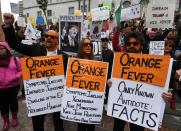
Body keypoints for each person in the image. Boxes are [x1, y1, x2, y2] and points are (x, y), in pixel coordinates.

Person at [2, 13, 68, 131]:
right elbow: (15, 44)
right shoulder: (36, 49)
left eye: (52, 37)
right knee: (37, 124)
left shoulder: (64, 57)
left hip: (57, 96)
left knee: (59, 124)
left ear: (57, 41)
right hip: (38, 96)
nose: (48, 38)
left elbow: (70, 76)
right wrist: (8, 26)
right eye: (46, 36)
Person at [109, 32, 173, 131]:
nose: (131, 46)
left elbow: (160, 85)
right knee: (117, 127)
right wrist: (111, 82)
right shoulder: (120, 60)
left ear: (141, 45)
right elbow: (114, 80)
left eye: (135, 44)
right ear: (125, 46)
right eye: (128, 44)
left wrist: (167, 94)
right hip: (121, 104)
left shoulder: (151, 61)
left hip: (140, 108)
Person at [0, 42, 22, 130]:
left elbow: (21, 70)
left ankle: (14, 118)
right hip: (0, 88)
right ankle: (5, 121)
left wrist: (15, 76)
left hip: (13, 86)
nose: (0, 50)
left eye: (2, 48)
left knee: (13, 103)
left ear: (6, 49)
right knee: (2, 105)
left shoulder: (15, 60)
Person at [76, 38, 96, 131]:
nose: (88, 46)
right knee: (81, 126)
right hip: (80, 99)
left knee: (91, 126)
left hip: (92, 99)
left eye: (90, 45)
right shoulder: (75, 62)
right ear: (81, 46)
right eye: (86, 44)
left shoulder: (96, 62)